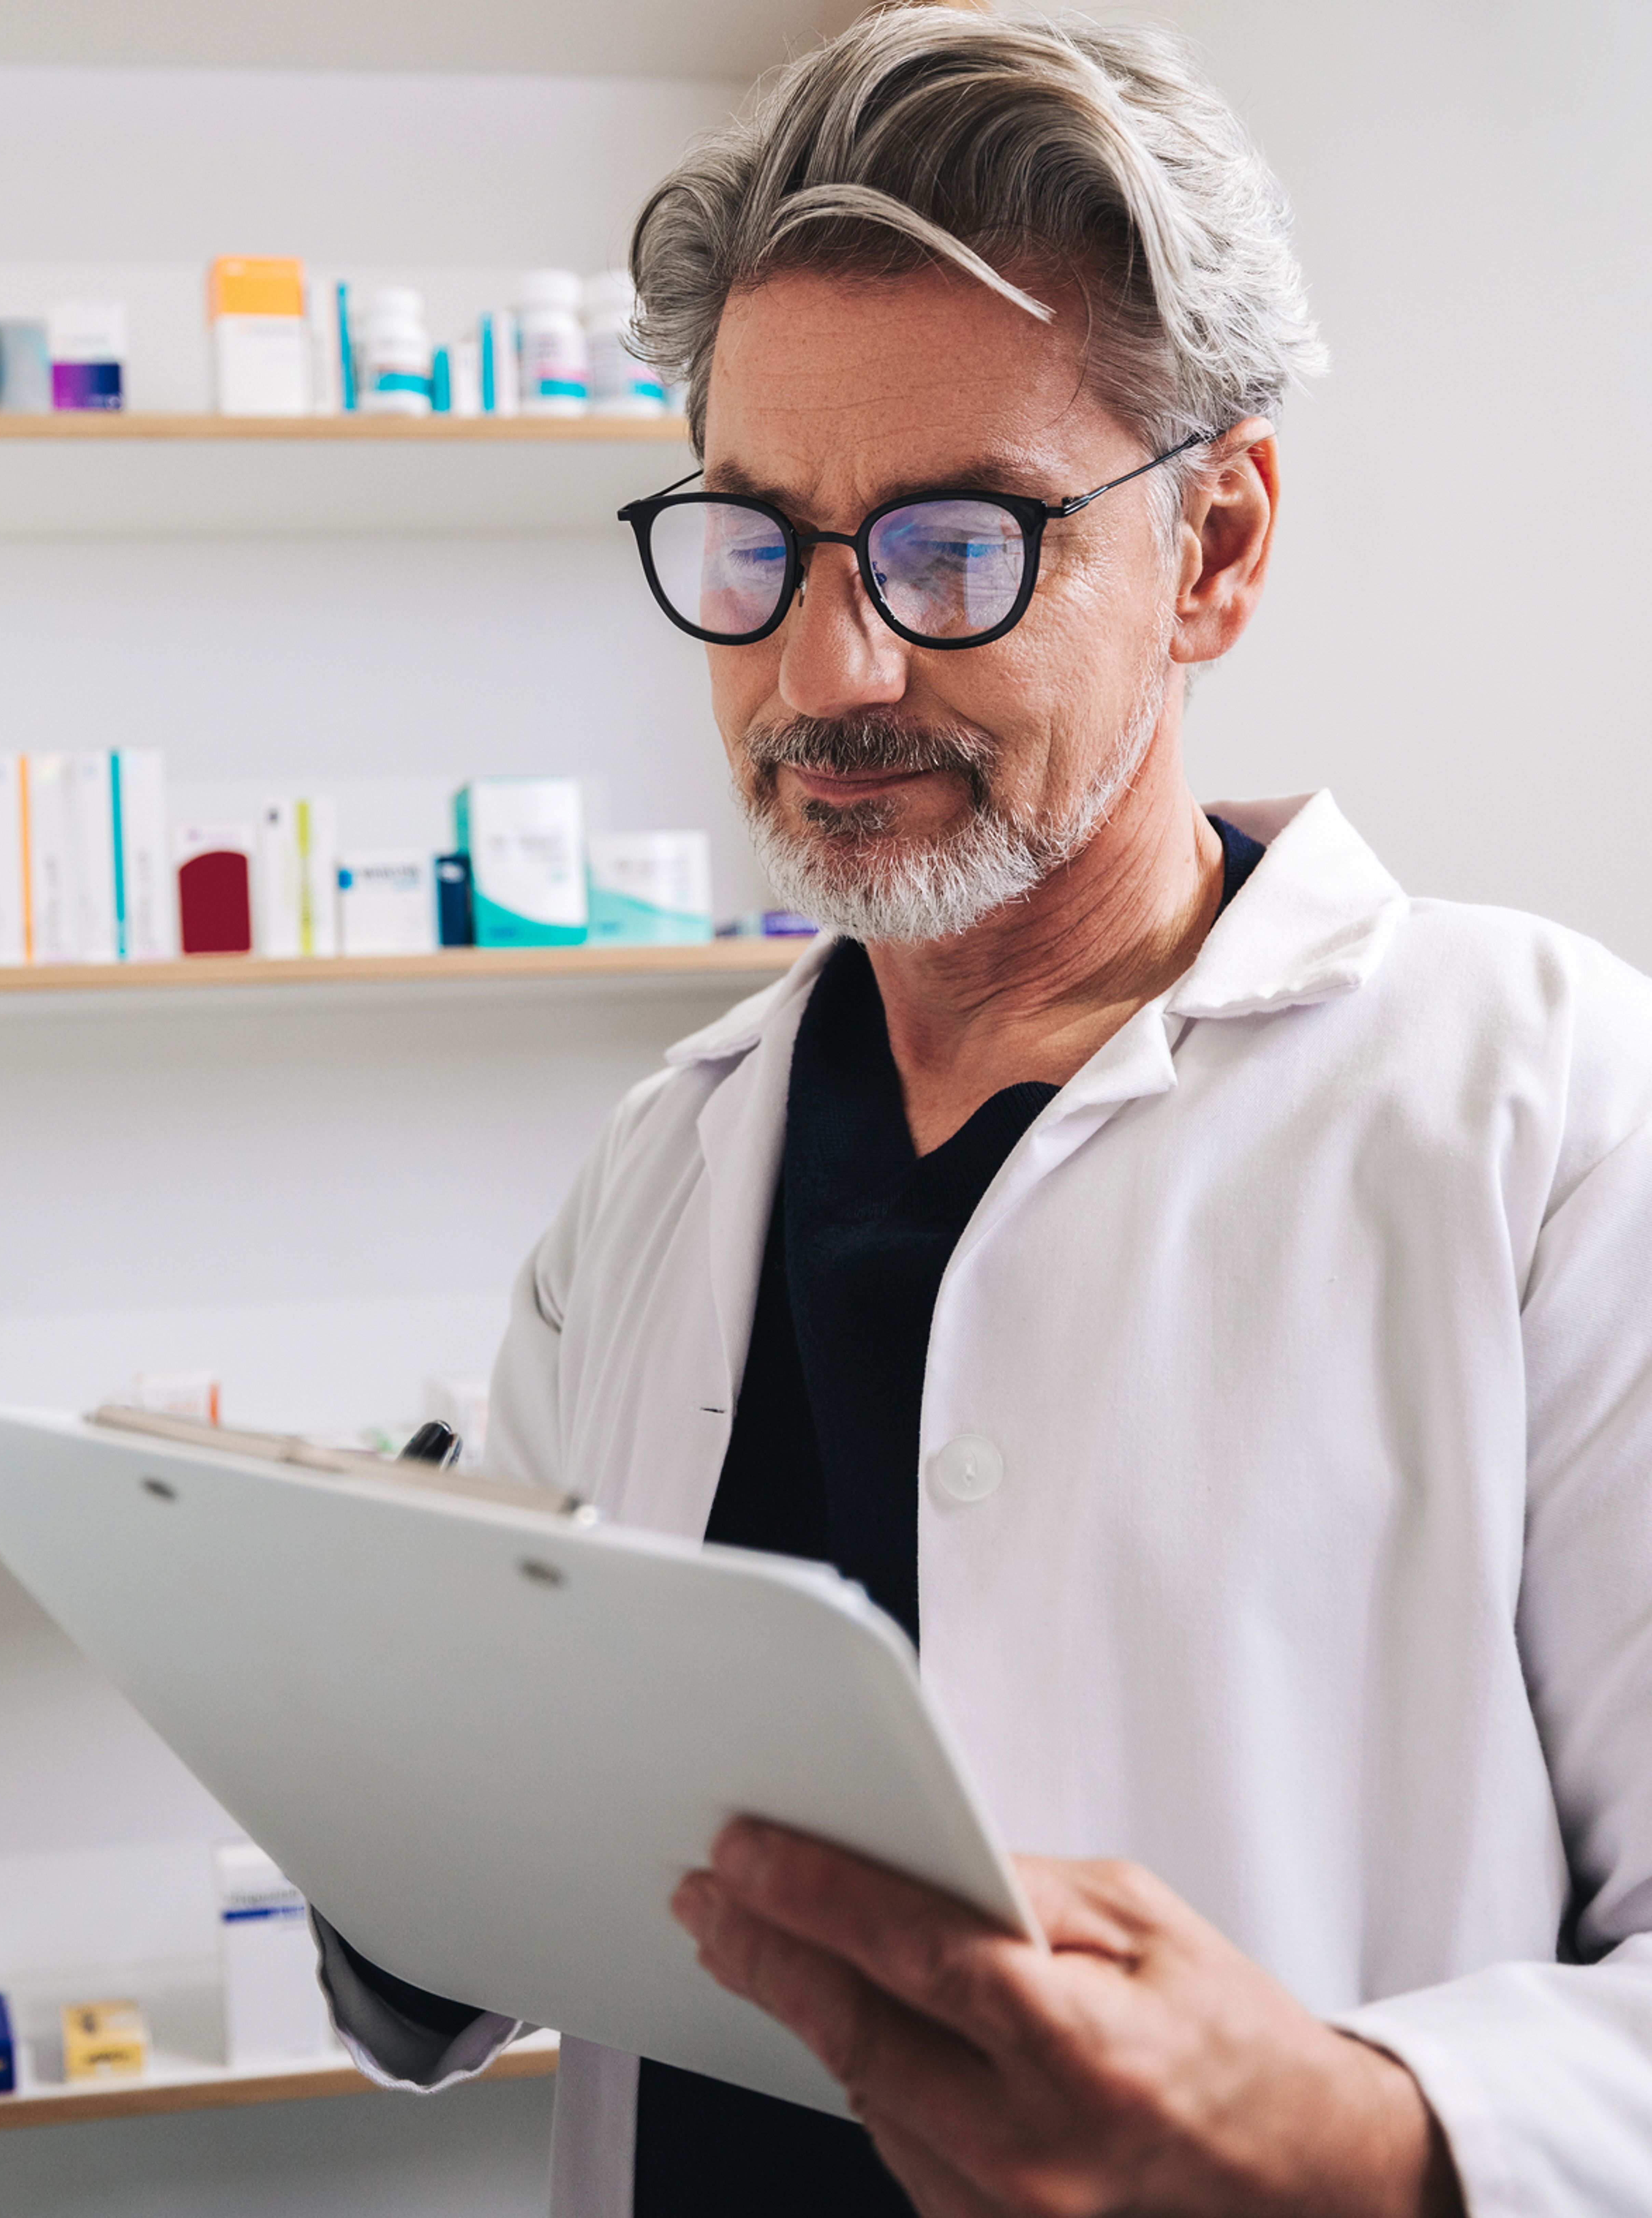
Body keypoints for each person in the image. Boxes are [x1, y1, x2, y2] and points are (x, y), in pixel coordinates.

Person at [316, 11, 1652, 2214]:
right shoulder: (670, 1161)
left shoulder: (1554, 1119)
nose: (829, 672)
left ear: (1214, 544)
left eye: (956, 551)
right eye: (753, 544)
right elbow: (469, 1895)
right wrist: (326, 1729)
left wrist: (1359, 2135)